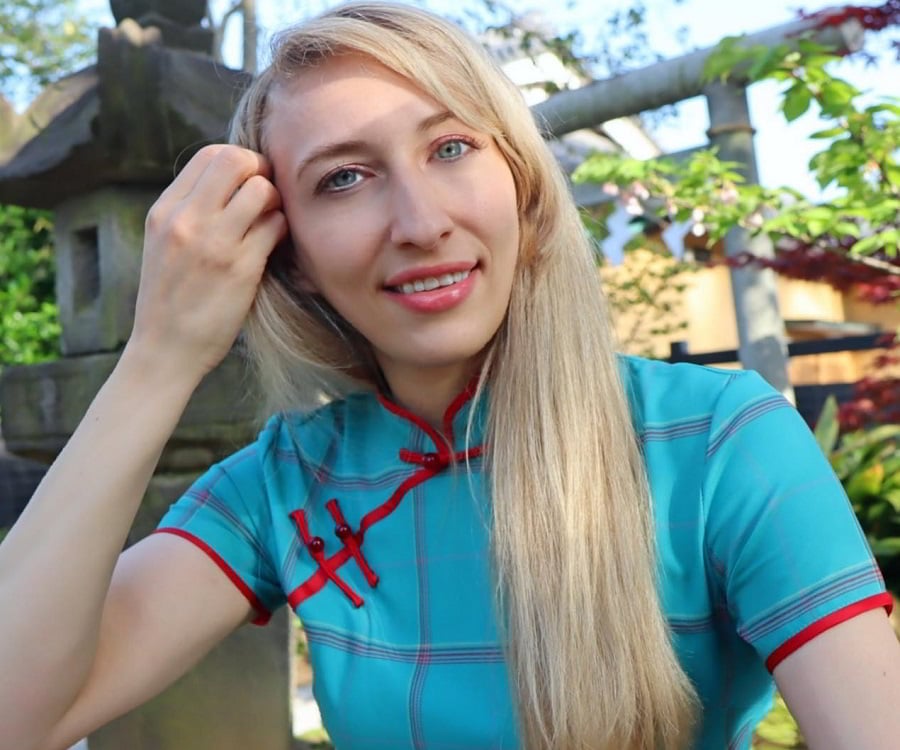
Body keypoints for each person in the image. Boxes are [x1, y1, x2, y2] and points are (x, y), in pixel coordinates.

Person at [1, 3, 899, 749]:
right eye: (344, 179)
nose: (421, 222)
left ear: (523, 185)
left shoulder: (720, 440)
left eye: (451, 148)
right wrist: (158, 359)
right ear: (292, 259)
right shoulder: (286, 483)